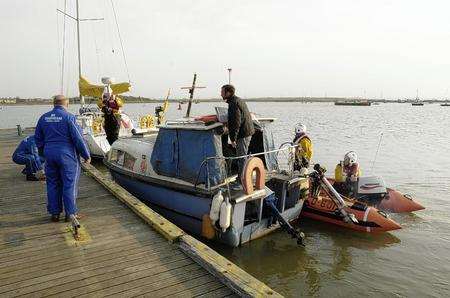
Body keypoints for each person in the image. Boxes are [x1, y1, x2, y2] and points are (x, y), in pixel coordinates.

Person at [35, 95, 91, 222]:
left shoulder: (43, 118)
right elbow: (78, 139)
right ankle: (70, 214)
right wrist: (86, 155)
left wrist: (43, 153)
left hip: (50, 154)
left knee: (53, 183)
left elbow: (38, 139)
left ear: (54, 104)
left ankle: (54, 213)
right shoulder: (69, 117)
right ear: (67, 104)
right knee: (69, 184)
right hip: (67, 155)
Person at [221, 84, 255, 182]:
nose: (221, 94)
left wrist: (233, 139)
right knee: (242, 155)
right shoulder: (237, 100)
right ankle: (242, 176)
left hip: (244, 133)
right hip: (247, 131)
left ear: (228, 93)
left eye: (222, 92)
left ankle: (242, 179)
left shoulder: (233, 103)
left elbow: (236, 122)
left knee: (241, 156)